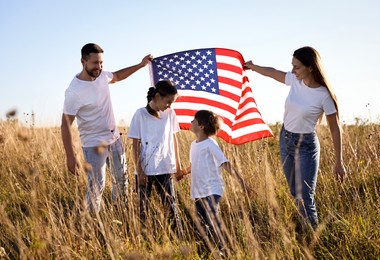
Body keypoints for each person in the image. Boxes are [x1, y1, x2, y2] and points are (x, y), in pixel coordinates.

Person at [244, 46, 347, 229]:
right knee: (294, 191)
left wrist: (339, 162)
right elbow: (273, 73)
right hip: (286, 139)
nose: (292, 70)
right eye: (292, 66)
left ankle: (311, 238)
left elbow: (335, 129)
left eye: (297, 67)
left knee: (305, 196)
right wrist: (253, 67)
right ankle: (303, 225)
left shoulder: (324, 96)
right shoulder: (295, 80)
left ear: (311, 67)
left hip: (306, 145)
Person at [61, 43, 152, 213]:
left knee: (122, 180)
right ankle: (91, 222)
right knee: (97, 185)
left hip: (115, 139)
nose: (99, 67)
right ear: (83, 61)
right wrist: (70, 157)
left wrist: (140, 65)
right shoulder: (74, 91)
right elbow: (65, 125)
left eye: (101, 63)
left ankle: (122, 214)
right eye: (95, 63)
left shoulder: (102, 76)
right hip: (94, 145)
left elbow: (117, 76)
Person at [178, 110, 249, 255]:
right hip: (198, 191)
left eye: (194, 120)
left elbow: (225, 163)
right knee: (201, 224)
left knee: (212, 220)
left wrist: (242, 182)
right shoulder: (193, 145)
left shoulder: (211, 144)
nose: (191, 122)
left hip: (212, 190)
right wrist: (182, 173)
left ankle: (223, 252)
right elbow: (193, 166)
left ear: (201, 126)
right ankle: (204, 253)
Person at [128, 80, 184, 237]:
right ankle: (143, 241)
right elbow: (135, 143)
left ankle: (179, 241)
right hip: (145, 170)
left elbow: (174, 140)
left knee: (171, 207)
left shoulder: (170, 114)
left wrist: (178, 167)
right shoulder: (140, 114)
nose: (169, 106)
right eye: (168, 102)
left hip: (165, 168)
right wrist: (140, 171)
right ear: (158, 96)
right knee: (143, 209)